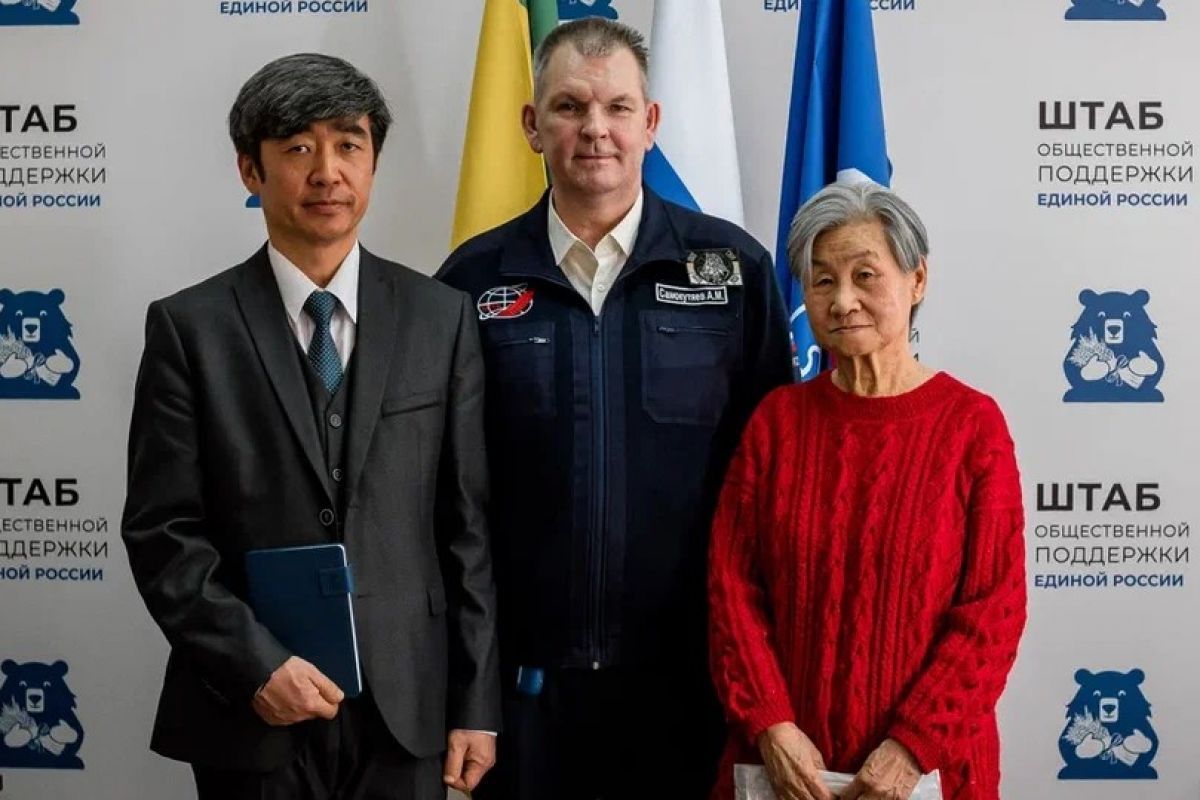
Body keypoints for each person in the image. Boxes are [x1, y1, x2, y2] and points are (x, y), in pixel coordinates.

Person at [121, 53, 500, 800]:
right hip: (251, 712)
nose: (328, 172)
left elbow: (468, 528)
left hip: (407, 707)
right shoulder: (190, 329)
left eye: (349, 145)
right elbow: (163, 532)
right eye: (298, 148)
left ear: (373, 163)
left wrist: (476, 703)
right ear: (250, 169)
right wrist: (254, 665)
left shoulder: (441, 317)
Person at [437, 17, 793, 799]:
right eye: (569, 107)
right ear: (532, 125)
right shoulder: (469, 281)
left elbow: (778, 487)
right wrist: (469, 685)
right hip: (525, 695)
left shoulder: (733, 271)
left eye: (618, 107)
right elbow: (446, 498)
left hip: (695, 688)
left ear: (651, 122)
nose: (594, 129)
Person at [708, 183, 1027, 800]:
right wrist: (771, 724)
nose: (843, 300)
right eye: (822, 281)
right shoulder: (776, 422)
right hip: (781, 770)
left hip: (927, 772)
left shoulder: (972, 427)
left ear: (917, 279)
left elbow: (995, 609)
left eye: (865, 276)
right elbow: (732, 589)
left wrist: (913, 745)